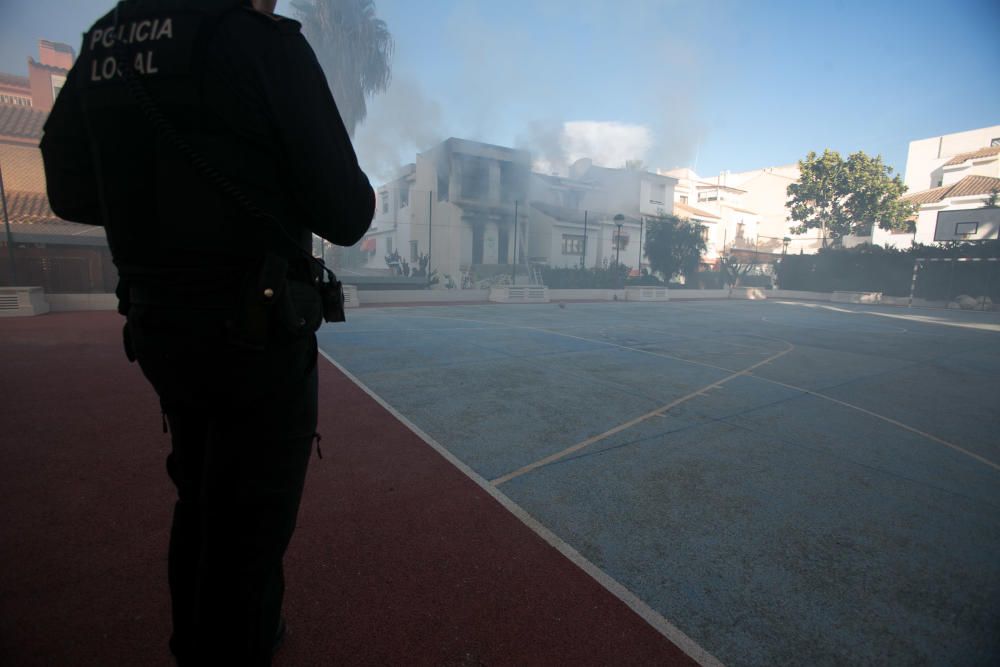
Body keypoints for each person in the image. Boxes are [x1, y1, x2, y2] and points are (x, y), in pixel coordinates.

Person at [40, 0, 375, 664]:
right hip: (256, 332)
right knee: (248, 535)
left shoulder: (107, 39)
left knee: (197, 497)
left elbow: (68, 190)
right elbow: (348, 210)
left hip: (160, 326)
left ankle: (195, 641)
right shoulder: (259, 43)